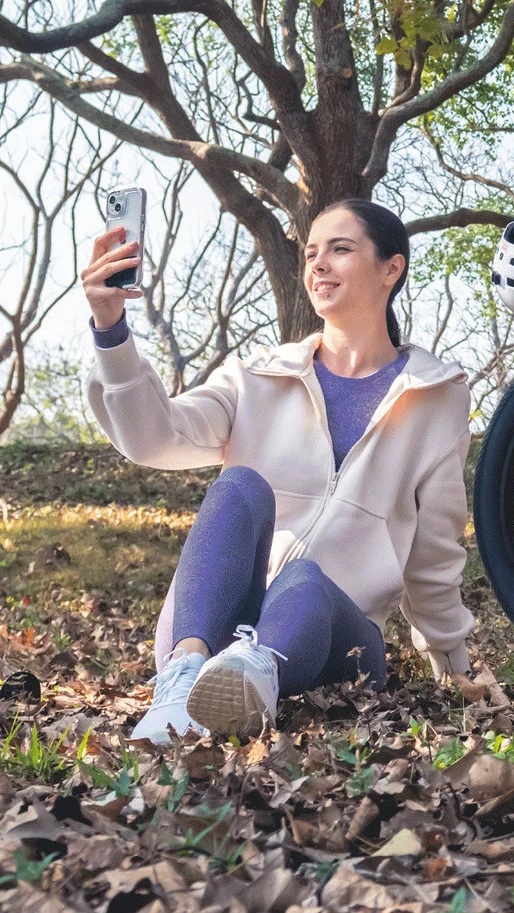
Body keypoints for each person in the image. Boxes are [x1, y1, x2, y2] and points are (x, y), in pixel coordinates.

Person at [81, 199, 477, 743]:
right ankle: (185, 679)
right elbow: (154, 437)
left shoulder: (436, 399)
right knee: (239, 484)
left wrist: (455, 669)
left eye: (340, 249)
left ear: (392, 268)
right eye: (311, 252)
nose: (318, 264)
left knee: (305, 581)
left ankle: (252, 677)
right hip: (213, 620)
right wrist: (111, 329)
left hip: (333, 636)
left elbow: (434, 553)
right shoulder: (256, 377)